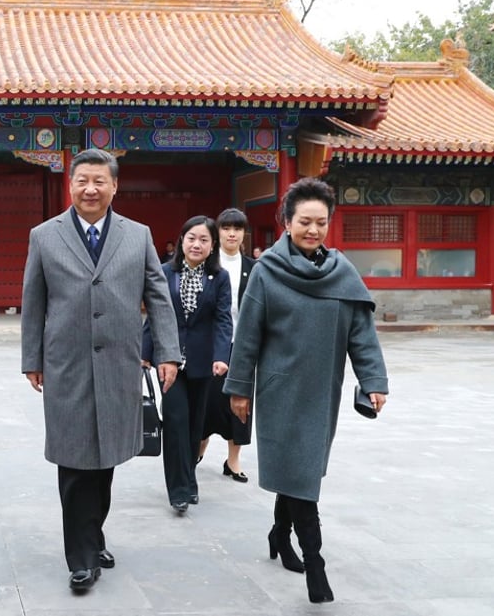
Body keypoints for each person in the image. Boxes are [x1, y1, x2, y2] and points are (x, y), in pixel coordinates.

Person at [21, 148, 181, 593]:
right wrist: (31, 359)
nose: (90, 189)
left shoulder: (138, 235)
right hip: (66, 363)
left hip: (118, 362)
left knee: (106, 456)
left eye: (99, 181)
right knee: (75, 458)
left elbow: (158, 296)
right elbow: (34, 302)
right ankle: (82, 556)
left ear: (114, 186)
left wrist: (168, 351)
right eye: (82, 181)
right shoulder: (45, 235)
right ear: (69, 185)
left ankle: (93, 533)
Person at [223, 177, 388, 604]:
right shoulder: (267, 272)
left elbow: (362, 337)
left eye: (320, 222)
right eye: (304, 222)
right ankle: (316, 566)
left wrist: (373, 381)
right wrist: (240, 389)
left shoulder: (343, 273)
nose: (312, 230)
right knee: (299, 475)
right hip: (279, 392)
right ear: (286, 222)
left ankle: (279, 533)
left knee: (300, 473)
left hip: (322, 393)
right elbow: (247, 337)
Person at [142, 216, 232, 513]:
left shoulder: (219, 278)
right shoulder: (164, 272)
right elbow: (154, 314)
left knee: (196, 424)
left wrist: (222, 356)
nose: (197, 244)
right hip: (168, 360)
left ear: (212, 245)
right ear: (182, 240)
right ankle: (178, 489)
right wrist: (145, 352)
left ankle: (190, 480)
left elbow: (222, 319)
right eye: (191, 238)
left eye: (204, 240)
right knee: (176, 421)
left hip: (203, 360)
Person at [199, 208, 255, 483]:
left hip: (242, 345)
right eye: (226, 228)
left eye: (238, 228)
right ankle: (200, 444)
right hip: (212, 344)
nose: (232, 233)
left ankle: (233, 460)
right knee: (208, 399)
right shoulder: (207, 264)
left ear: (244, 233)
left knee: (241, 403)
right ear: (217, 232)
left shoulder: (253, 268)